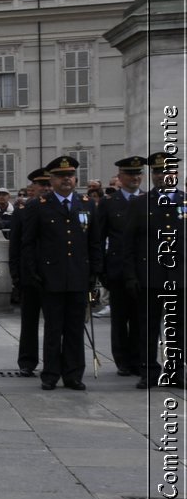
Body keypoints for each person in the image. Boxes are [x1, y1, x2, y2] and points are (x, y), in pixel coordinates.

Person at [21, 155, 100, 390]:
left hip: (78, 275)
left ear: (76, 178)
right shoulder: (38, 205)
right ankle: (51, 373)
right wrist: (33, 272)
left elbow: (94, 242)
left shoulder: (86, 204)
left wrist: (94, 271)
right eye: (61, 176)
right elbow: (29, 243)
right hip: (50, 276)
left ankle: (74, 374)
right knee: (54, 328)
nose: (66, 180)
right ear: (52, 179)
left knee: (75, 328)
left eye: (70, 176)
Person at [134, 151, 184, 388]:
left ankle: (176, 371)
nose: (162, 175)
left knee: (178, 328)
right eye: (156, 171)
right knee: (148, 328)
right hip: (150, 276)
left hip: (179, 276)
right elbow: (129, 243)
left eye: (166, 171)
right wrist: (131, 275)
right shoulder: (140, 203)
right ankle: (148, 372)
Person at [96, 156, 148, 377]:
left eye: (138, 173)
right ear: (120, 177)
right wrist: (101, 270)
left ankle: (139, 359)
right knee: (119, 319)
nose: (135, 177)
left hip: (143, 270)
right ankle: (122, 361)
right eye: (130, 174)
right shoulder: (109, 203)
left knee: (141, 319)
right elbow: (98, 238)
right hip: (117, 270)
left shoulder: (149, 200)